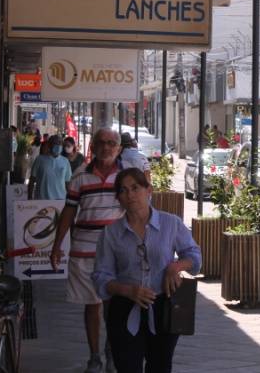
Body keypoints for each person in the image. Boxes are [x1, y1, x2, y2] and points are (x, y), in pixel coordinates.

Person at [92, 168, 202, 373]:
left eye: (135, 188)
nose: (130, 195)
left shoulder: (171, 223)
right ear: (118, 198)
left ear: (148, 190)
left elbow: (195, 257)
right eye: (123, 191)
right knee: (127, 366)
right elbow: (100, 277)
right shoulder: (111, 233)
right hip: (124, 309)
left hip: (164, 306)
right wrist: (127, 290)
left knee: (160, 366)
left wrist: (176, 266)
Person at [50, 128, 133, 373]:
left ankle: (111, 349)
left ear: (118, 148)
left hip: (117, 253)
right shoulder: (80, 177)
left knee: (114, 305)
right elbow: (68, 212)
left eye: (111, 143)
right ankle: (94, 355)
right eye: (101, 143)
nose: (106, 147)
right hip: (84, 251)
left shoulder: (126, 176)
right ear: (93, 147)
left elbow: (138, 210)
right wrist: (57, 246)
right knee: (92, 305)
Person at [28, 135, 72, 200]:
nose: (58, 145)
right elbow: (32, 179)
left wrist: (71, 199)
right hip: (41, 200)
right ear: (49, 145)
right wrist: (29, 197)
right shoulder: (40, 159)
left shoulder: (65, 161)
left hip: (60, 200)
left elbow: (67, 183)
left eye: (60, 143)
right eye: (55, 143)